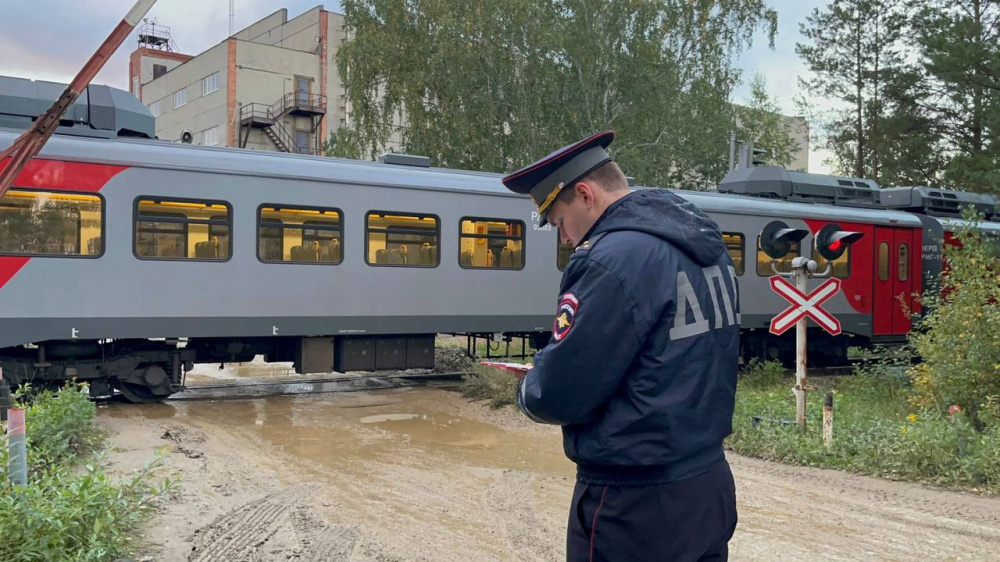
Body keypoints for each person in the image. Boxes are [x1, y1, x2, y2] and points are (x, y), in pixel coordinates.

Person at [500, 131, 740, 562]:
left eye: (558, 222)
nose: (565, 239)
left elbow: (563, 391)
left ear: (585, 194)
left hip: (634, 505)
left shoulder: (609, 259)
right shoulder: (703, 241)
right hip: (708, 483)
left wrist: (529, 388)